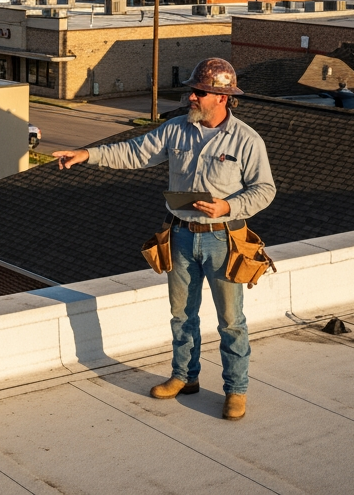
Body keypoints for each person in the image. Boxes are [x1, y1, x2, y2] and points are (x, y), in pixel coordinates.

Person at [51, 57, 275, 420]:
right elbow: (133, 152)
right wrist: (86, 154)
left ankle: (236, 390)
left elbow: (264, 190)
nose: (191, 98)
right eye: (192, 91)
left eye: (199, 92)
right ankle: (184, 377)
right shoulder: (175, 130)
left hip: (224, 240)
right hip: (182, 236)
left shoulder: (247, 140)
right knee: (181, 315)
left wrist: (228, 207)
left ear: (221, 98)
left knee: (231, 320)